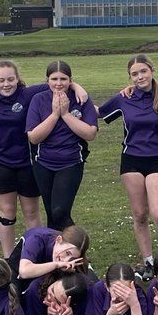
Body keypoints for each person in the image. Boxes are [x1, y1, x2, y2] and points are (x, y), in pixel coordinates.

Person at [0, 61, 92, 259]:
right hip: (1, 162)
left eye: (11, 79)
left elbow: (58, 81)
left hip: (29, 162)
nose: (6, 84)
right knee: (6, 213)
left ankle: (37, 255)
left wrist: (77, 86)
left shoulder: (29, 94)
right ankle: (9, 260)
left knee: (34, 213)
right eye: (1, 80)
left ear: (18, 79)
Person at [100, 54, 158, 276]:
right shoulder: (123, 98)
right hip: (131, 160)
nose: (140, 77)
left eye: (143, 71)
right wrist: (75, 92)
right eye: (134, 74)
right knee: (140, 214)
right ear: (129, 77)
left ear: (152, 71)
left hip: (157, 159)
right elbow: (98, 113)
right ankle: (149, 263)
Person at [25, 59, 98, 230]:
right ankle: (59, 255)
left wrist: (65, 114)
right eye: (54, 79)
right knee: (52, 214)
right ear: (47, 81)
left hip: (71, 162)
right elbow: (34, 137)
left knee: (60, 212)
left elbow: (90, 134)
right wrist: (55, 114)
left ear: (70, 80)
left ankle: (79, 250)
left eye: (63, 79)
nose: (59, 83)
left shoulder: (81, 99)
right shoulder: (39, 99)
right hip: (43, 163)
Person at [85, 263, 153, 315]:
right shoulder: (99, 289)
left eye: (125, 290)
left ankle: (138, 274)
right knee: (89, 280)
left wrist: (135, 305)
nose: (121, 295)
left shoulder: (138, 294)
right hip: (98, 285)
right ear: (107, 287)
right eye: (116, 290)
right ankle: (89, 268)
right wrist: (111, 313)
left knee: (138, 280)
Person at [8, 224, 91, 291]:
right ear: (58, 240)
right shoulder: (36, 239)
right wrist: (56, 265)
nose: (66, 260)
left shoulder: (71, 248)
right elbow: (24, 272)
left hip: (43, 272)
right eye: (67, 253)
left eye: (72, 258)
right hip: (16, 274)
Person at [21, 271, 90, 315]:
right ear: (57, 279)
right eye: (52, 290)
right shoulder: (34, 289)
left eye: (57, 301)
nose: (49, 297)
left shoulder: (82, 292)